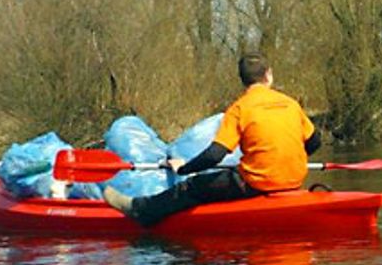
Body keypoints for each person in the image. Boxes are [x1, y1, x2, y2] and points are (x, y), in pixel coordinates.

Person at [104, 53, 322, 226]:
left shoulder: (240, 108)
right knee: (233, 173)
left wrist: (183, 169)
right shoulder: (291, 104)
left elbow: (214, 154)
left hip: (257, 184)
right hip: (293, 181)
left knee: (191, 186)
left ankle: (141, 210)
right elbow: (314, 143)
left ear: (243, 80)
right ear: (269, 75)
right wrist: (283, 159)